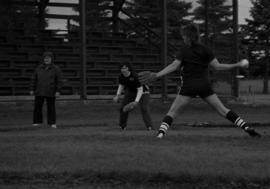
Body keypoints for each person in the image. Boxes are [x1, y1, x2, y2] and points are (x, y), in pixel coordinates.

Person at [138, 24, 261, 138]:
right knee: (223, 110)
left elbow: (174, 66)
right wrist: (237, 64)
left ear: (188, 37)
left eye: (184, 36)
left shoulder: (184, 50)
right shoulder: (205, 50)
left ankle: (160, 134)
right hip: (204, 86)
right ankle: (247, 127)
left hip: (189, 86)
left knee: (173, 111)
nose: (183, 38)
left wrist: (157, 74)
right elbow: (218, 66)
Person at [113, 62, 153, 130]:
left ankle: (150, 127)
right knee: (123, 108)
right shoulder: (121, 76)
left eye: (125, 68)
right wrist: (118, 95)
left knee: (144, 108)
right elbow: (121, 85)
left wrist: (136, 102)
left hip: (143, 91)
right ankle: (122, 126)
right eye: (122, 68)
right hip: (131, 91)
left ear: (128, 68)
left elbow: (140, 89)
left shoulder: (135, 76)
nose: (123, 70)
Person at [30, 51, 62, 128]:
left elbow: (59, 81)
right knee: (37, 107)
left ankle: (52, 123)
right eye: (45, 58)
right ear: (43, 59)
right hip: (39, 90)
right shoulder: (38, 68)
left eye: (48, 58)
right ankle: (37, 121)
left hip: (51, 91)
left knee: (51, 108)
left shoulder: (56, 69)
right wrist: (32, 89)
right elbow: (34, 79)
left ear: (51, 59)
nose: (46, 60)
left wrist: (58, 91)